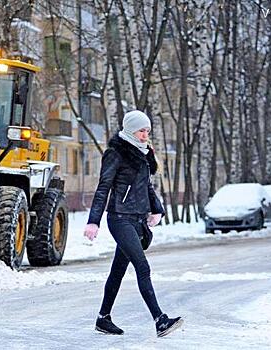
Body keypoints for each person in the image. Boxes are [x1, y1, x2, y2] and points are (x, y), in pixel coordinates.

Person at [84, 110, 183, 338]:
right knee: (142, 266)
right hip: (119, 218)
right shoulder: (116, 153)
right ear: (130, 130)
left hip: (137, 219)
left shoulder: (144, 154)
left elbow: (147, 187)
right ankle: (160, 321)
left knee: (118, 271)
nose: (145, 135)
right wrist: (93, 221)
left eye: (147, 130)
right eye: (141, 130)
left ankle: (103, 318)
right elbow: (103, 187)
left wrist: (157, 209)